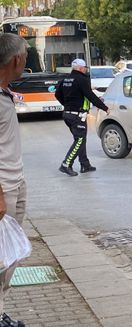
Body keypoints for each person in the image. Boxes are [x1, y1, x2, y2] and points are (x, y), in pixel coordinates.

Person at [0, 33, 29, 327]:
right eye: (26, 56)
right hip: (2, 191)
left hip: (15, 184)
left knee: (9, 256)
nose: (27, 61)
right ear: (16, 59)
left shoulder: (5, 93)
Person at [55, 59, 110, 176]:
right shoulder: (82, 79)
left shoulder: (64, 80)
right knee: (79, 140)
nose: (85, 70)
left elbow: (57, 94)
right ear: (80, 68)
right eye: (85, 67)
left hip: (67, 114)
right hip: (77, 115)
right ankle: (66, 164)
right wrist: (105, 108)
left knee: (81, 140)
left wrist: (67, 105)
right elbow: (90, 95)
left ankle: (85, 165)